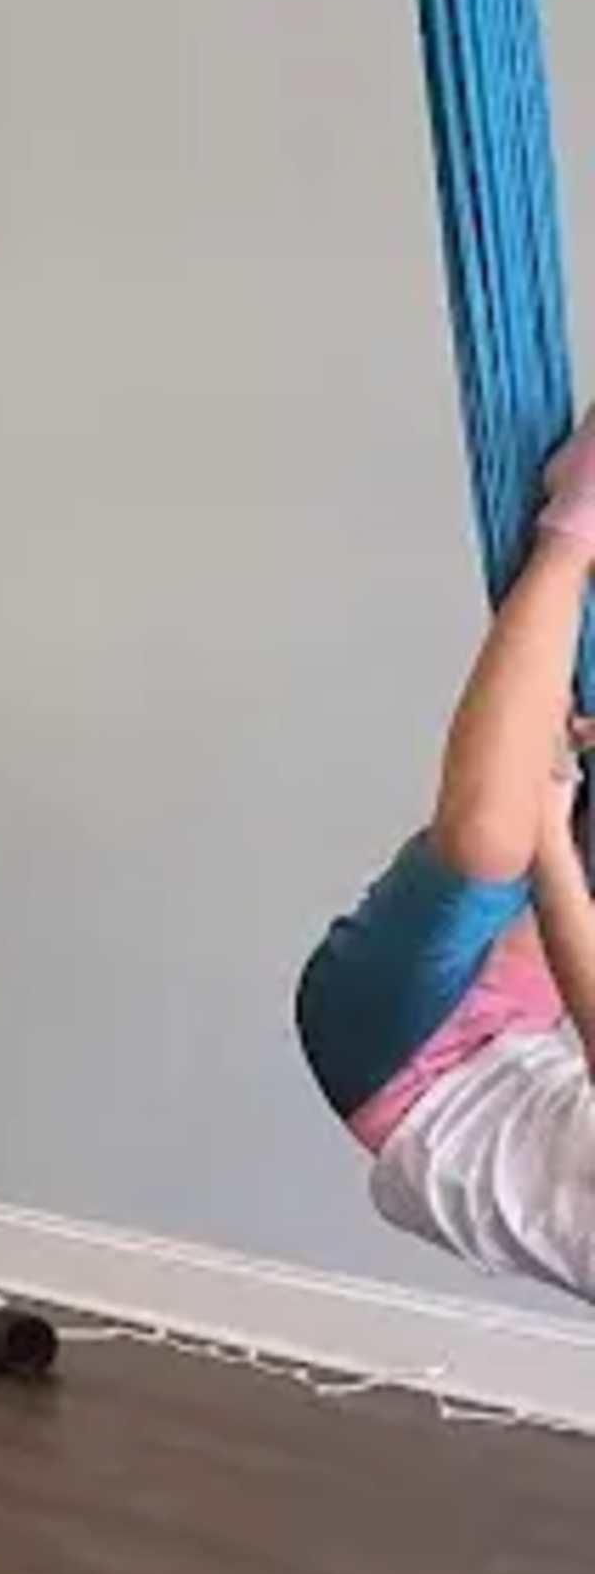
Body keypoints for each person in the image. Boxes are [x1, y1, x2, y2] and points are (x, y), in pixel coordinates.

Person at [298, 426, 595, 1305]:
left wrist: (551, 826)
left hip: (398, 1066)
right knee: (529, 833)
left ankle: (571, 528)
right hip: (521, 1024)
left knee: (496, 844)